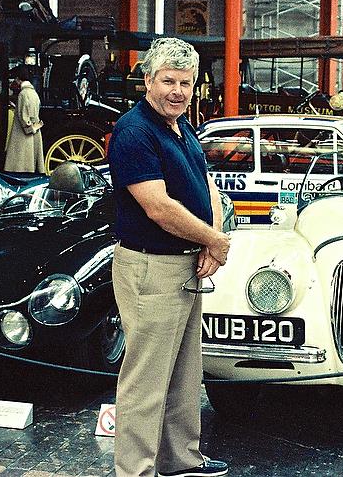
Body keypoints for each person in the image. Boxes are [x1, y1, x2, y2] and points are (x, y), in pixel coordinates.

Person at [107, 37, 230, 477]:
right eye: (168, 81)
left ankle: (180, 461)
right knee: (145, 381)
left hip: (185, 264)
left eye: (185, 82)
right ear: (147, 80)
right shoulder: (134, 131)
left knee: (183, 373)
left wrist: (210, 238)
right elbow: (156, 206)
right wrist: (214, 242)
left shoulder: (181, 127)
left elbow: (206, 184)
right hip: (150, 268)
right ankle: (135, 471)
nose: (177, 90)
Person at [4, 65, 45, 173]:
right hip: (35, 133)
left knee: (20, 164)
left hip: (23, 135)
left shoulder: (23, 93)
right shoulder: (33, 93)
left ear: (18, 79)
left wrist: (30, 128)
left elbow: (23, 117)